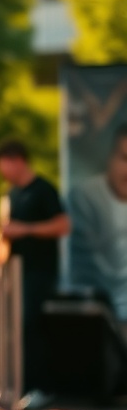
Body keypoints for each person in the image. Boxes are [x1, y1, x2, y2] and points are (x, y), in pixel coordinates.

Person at [0, 138, 71, 410]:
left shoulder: (44, 190)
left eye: (4, 166)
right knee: (10, 329)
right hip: (12, 272)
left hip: (38, 272)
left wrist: (26, 229)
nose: (2, 172)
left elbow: (62, 225)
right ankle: (9, 387)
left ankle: (41, 388)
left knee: (30, 327)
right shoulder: (10, 194)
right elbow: (4, 237)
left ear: (17, 159)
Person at [67, 123, 127, 338]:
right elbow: (92, 269)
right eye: (124, 158)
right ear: (110, 158)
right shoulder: (86, 197)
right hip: (101, 319)